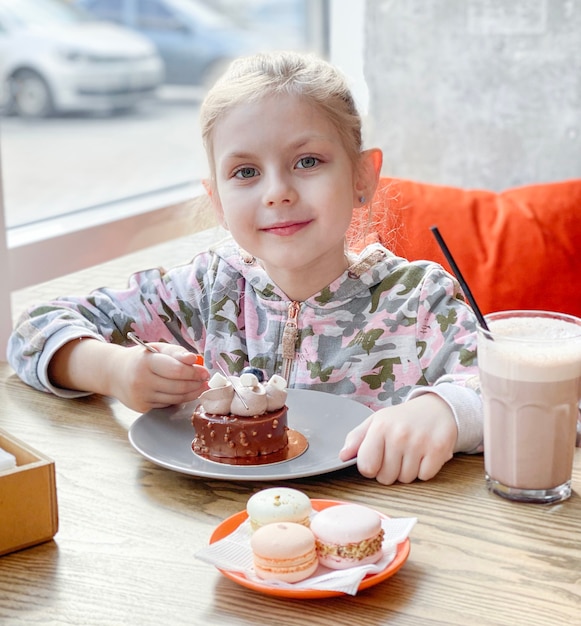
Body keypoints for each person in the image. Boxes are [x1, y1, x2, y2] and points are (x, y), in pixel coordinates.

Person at [7, 51, 482, 485]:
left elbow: (509, 394)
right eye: (246, 172)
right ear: (216, 199)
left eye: (307, 161)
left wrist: (443, 411)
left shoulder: (420, 301)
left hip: (376, 538)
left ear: (362, 177)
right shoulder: (205, 289)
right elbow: (31, 330)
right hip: (224, 535)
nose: (277, 192)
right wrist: (113, 370)